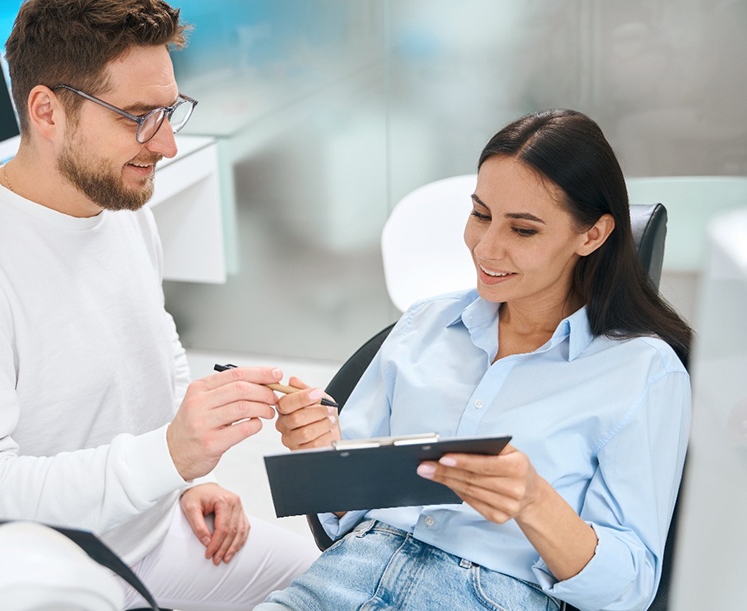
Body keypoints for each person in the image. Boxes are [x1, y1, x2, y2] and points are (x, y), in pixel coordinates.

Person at [0, 1, 318, 608]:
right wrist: (164, 458)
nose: (167, 144)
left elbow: (157, 348)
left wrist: (182, 480)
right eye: (139, 117)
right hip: (47, 571)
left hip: (152, 533)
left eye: (169, 111)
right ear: (46, 110)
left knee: (332, 580)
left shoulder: (119, 203)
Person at [259, 109, 692, 611]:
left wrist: (534, 501)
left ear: (591, 236)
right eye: (481, 215)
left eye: (523, 230)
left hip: (489, 595)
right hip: (348, 573)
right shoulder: (425, 325)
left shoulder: (644, 373)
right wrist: (321, 450)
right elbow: (343, 511)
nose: (485, 248)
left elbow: (630, 588)